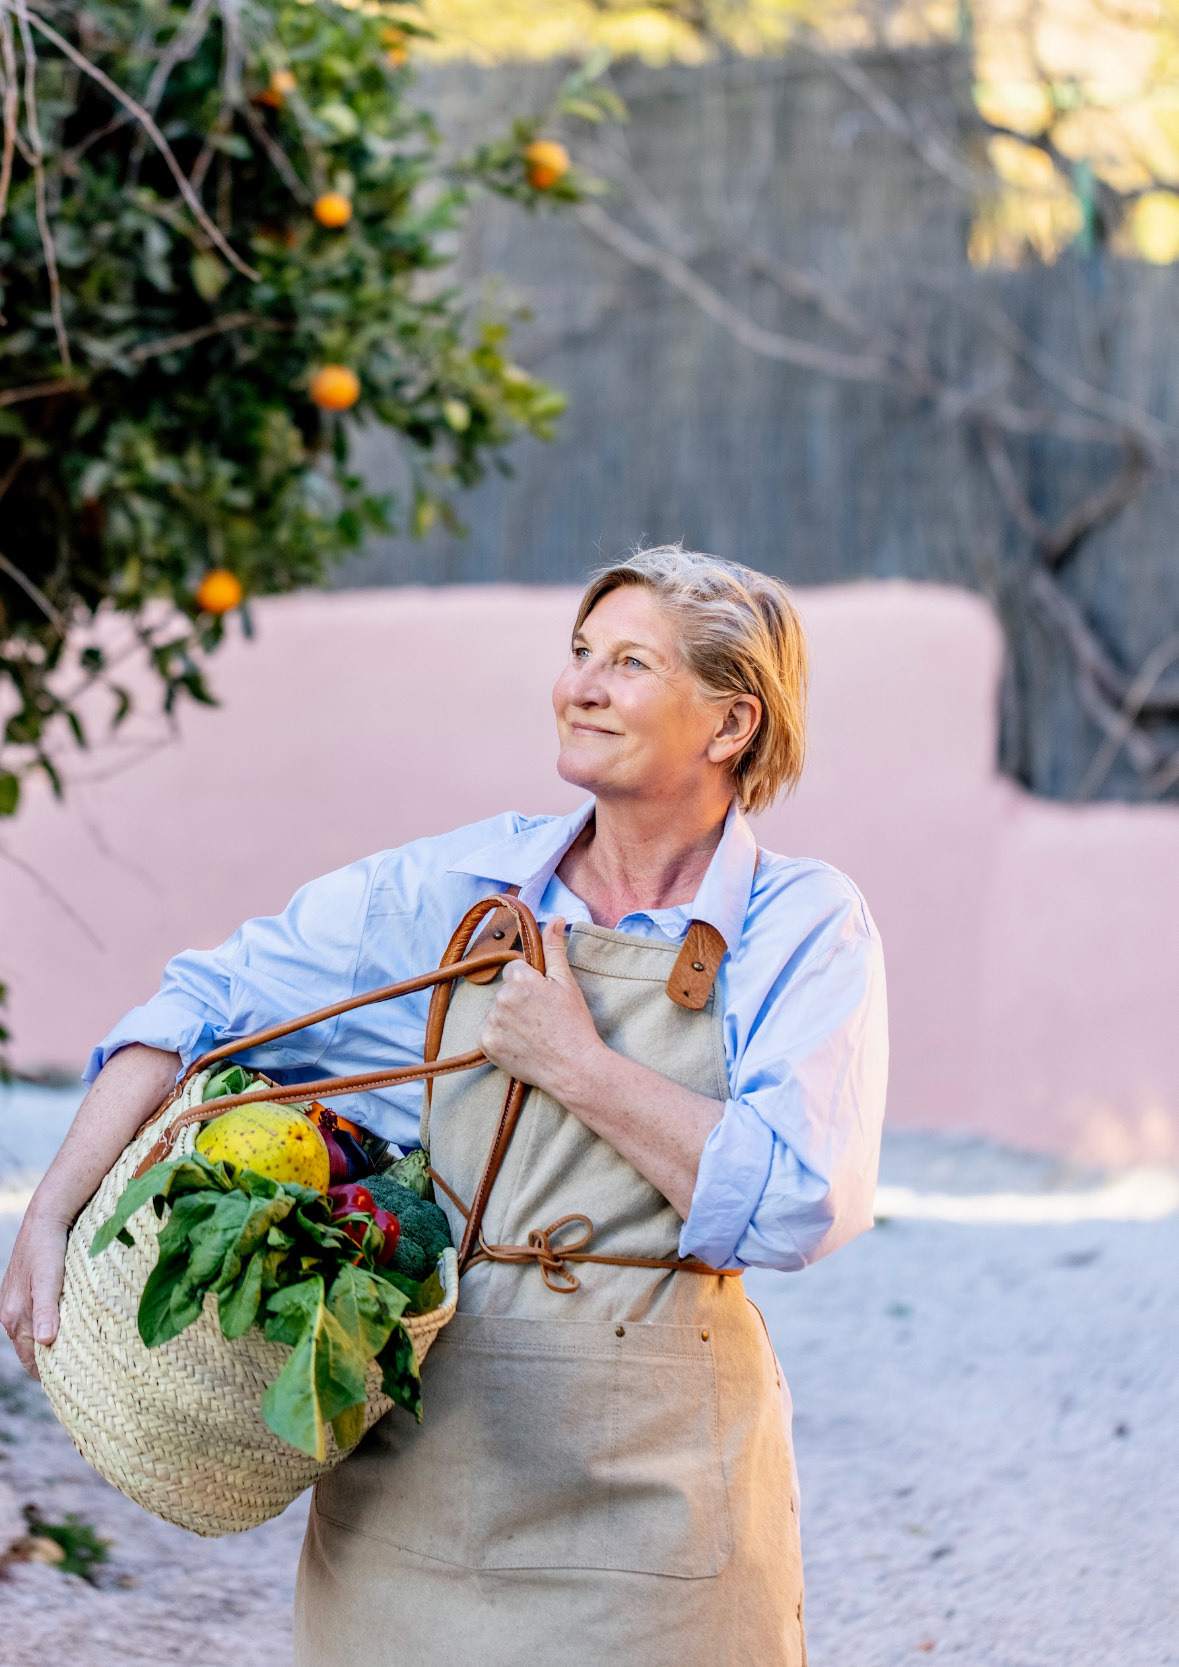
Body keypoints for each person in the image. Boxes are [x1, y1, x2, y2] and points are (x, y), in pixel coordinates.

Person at [1, 545, 887, 1666]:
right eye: (578, 653)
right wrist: (50, 1212)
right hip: (418, 1479)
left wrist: (578, 1062)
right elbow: (201, 1003)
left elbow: (800, 1202)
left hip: (661, 1495)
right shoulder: (452, 893)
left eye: (628, 662)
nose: (579, 685)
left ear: (729, 724)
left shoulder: (801, 926)